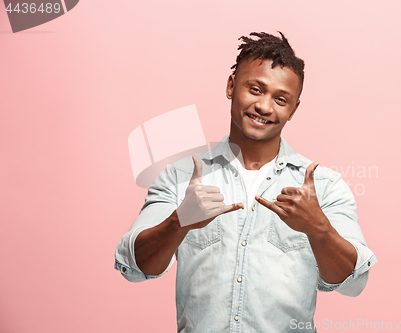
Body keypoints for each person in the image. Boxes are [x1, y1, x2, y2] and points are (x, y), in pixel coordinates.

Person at [115, 31, 377, 333]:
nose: (265, 107)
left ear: (294, 109)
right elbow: (134, 268)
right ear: (231, 86)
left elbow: (354, 283)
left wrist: (318, 229)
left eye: (281, 99)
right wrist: (178, 223)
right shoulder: (180, 177)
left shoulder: (324, 186)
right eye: (255, 89)